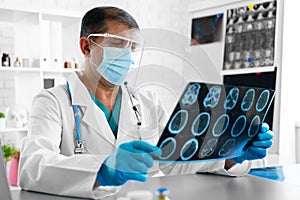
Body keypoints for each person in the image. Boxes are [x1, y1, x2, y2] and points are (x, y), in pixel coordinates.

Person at [19, 6, 274, 199]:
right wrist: (102, 169)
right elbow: (32, 166)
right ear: (86, 47)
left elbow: (175, 160)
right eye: (118, 44)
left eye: (132, 48)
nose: (127, 56)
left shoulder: (147, 102)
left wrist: (231, 154)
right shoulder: (52, 101)